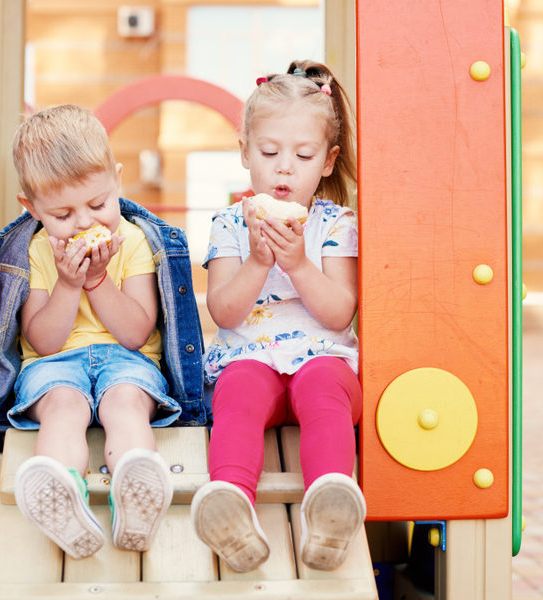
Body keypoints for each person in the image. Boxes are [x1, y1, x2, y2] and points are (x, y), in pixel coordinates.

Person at [190, 60, 364, 572]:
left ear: (328, 161)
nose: (284, 167)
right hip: (252, 359)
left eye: (303, 154)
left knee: (323, 389)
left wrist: (298, 264)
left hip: (323, 362)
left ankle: (331, 504)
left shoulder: (336, 224)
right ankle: (231, 504)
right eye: (269, 152)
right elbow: (222, 310)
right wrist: (259, 262)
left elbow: (339, 313)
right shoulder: (229, 223)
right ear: (245, 151)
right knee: (238, 392)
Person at [8, 104, 179, 559]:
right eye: (62, 213)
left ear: (117, 182)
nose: (85, 223)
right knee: (63, 407)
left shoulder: (135, 241)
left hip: (126, 360)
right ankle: (63, 496)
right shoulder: (37, 251)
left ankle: (136, 494)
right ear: (31, 208)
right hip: (55, 364)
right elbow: (42, 341)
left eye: (98, 204)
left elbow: (136, 333)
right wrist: (68, 283)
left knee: (126, 402)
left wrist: (99, 281)